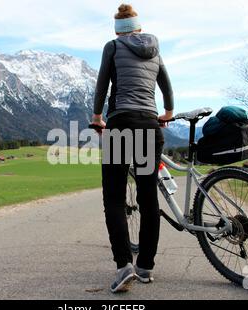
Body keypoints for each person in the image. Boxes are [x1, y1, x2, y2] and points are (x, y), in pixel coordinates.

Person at [91, 4, 174, 293]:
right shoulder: (154, 48)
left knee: (114, 198)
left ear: (118, 29)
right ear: (138, 28)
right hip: (151, 127)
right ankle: (146, 267)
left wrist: (97, 118)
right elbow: (166, 85)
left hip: (120, 126)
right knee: (148, 197)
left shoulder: (112, 47)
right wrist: (167, 112)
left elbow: (102, 84)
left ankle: (124, 265)